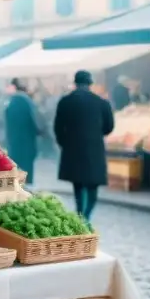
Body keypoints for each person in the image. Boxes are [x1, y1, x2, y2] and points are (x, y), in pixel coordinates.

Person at [54, 70, 115, 221]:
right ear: (90, 83)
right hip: (94, 148)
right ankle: (86, 215)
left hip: (73, 148)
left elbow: (58, 127)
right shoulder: (102, 103)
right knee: (93, 184)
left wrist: (64, 143)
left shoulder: (65, 101)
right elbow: (109, 127)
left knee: (78, 184)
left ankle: (81, 213)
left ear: (75, 83)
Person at [4, 78, 42, 186]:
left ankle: (21, 183)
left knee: (18, 163)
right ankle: (27, 183)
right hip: (27, 138)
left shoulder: (13, 101)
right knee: (27, 163)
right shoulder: (27, 101)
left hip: (16, 139)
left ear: (13, 87)